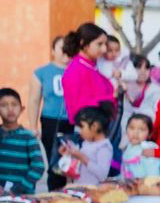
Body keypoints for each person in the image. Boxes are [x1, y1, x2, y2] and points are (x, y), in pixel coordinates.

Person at [61, 22, 114, 129]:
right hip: (88, 132)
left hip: (100, 128)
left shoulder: (93, 66)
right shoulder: (75, 71)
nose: (104, 49)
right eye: (99, 44)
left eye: (105, 44)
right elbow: (79, 108)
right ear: (84, 44)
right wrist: (110, 99)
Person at [36, 35, 71, 190]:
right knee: (53, 157)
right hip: (50, 119)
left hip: (72, 121)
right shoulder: (42, 72)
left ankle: (68, 189)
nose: (65, 51)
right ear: (52, 51)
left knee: (69, 157)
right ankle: (54, 190)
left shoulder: (76, 70)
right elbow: (34, 100)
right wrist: (33, 125)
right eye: (61, 47)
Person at [0, 87, 46, 194]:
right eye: (4, 105)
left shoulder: (28, 137)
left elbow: (38, 166)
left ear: (22, 109)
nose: (10, 109)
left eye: (14, 105)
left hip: (24, 196)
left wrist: (19, 189)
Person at [59, 105, 113, 185]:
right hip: (79, 189)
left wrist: (82, 157)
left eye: (82, 127)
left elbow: (102, 175)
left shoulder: (104, 147)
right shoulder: (87, 143)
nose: (80, 131)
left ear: (95, 126)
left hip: (93, 191)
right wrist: (69, 153)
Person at [116, 55, 160, 148]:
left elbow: (157, 113)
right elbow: (125, 113)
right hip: (127, 133)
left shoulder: (156, 90)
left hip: (148, 133)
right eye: (138, 67)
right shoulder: (124, 86)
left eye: (147, 68)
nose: (143, 71)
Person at [119, 114, 160, 180]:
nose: (135, 133)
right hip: (128, 187)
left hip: (144, 187)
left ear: (149, 134)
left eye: (142, 129)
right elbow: (124, 171)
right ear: (126, 130)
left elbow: (153, 175)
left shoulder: (148, 149)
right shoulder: (128, 147)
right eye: (132, 128)